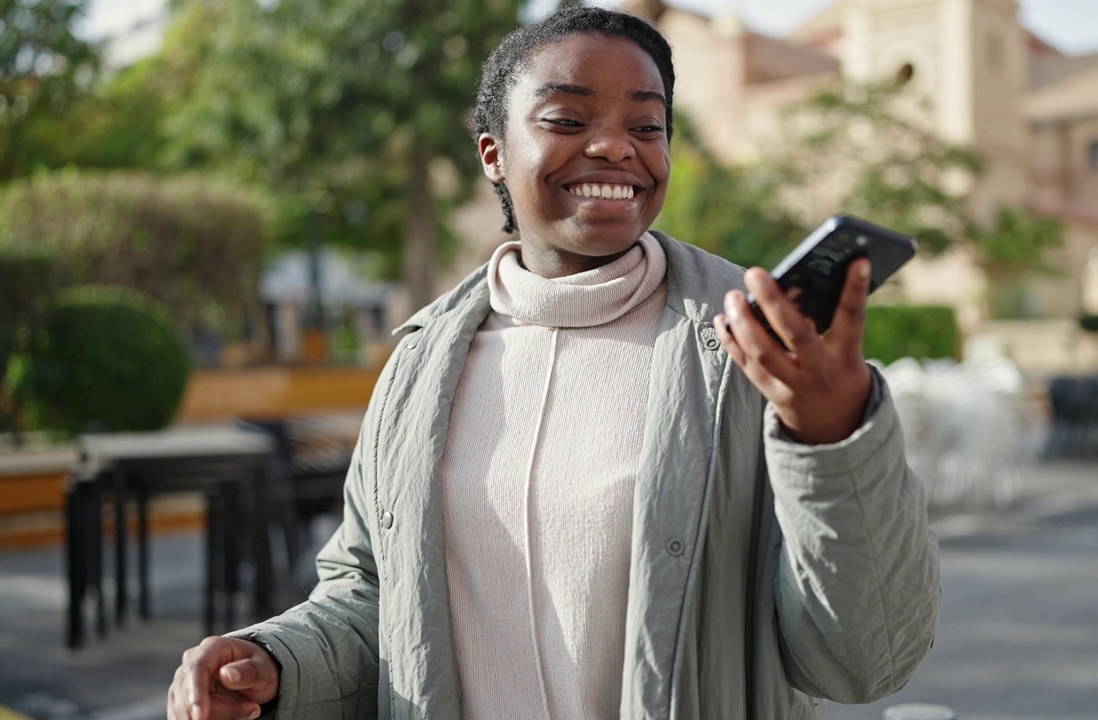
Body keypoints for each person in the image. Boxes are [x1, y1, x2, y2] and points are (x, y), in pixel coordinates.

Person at [167, 8, 939, 720]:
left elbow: (865, 662)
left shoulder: (748, 344)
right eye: (568, 119)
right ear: (493, 153)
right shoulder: (418, 362)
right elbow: (373, 594)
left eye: (648, 123)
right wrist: (276, 659)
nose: (614, 146)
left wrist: (833, 437)